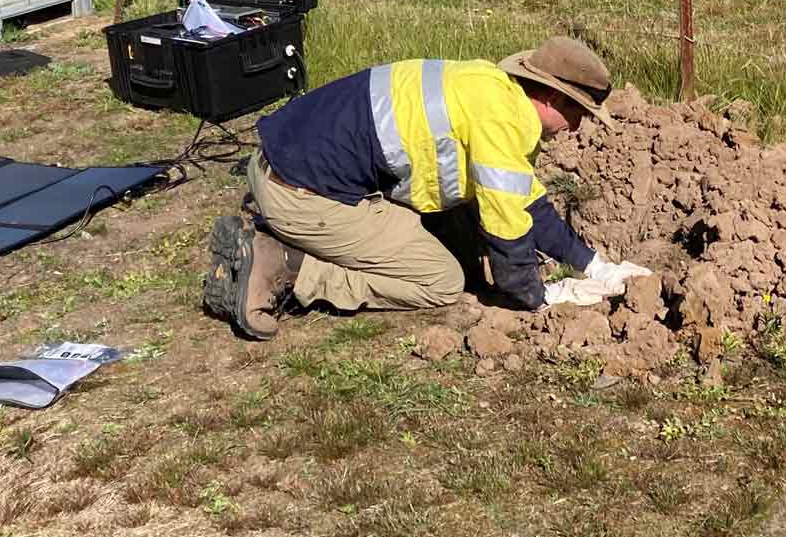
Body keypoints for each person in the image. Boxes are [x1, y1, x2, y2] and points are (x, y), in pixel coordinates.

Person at [203, 36, 627, 340]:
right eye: (578, 114)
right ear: (553, 98)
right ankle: (285, 264)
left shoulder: (489, 89)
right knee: (440, 280)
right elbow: (506, 227)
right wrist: (537, 298)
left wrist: (593, 266)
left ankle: (293, 243)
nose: (576, 128)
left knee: (454, 233)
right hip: (299, 193)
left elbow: (524, 202)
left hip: (285, 162)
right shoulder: (502, 123)